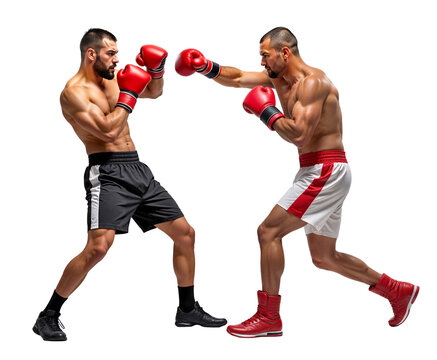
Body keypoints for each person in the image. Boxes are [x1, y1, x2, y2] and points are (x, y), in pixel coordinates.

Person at [175, 27, 419, 338]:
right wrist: (205, 67)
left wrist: (267, 111)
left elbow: (300, 135)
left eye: (265, 55)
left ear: (284, 53)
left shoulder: (313, 83)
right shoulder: (280, 78)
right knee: (324, 257)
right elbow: (237, 78)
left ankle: (268, 317)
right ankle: (397, 291)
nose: (262, 62)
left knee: (268, 232)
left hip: (325, 169)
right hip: (316, 170)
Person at [32, 28, 226, 342]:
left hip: (137, 168)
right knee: (97, 248)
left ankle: (187, 309)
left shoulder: (112, 79)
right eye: (111, 53)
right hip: (107, 174)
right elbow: (107, 132)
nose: (117, 60)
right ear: (91, 54)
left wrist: (155, 71)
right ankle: (48, 316)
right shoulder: (74, 92)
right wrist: (131, 93)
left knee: (185, 234)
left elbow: (154, 92)